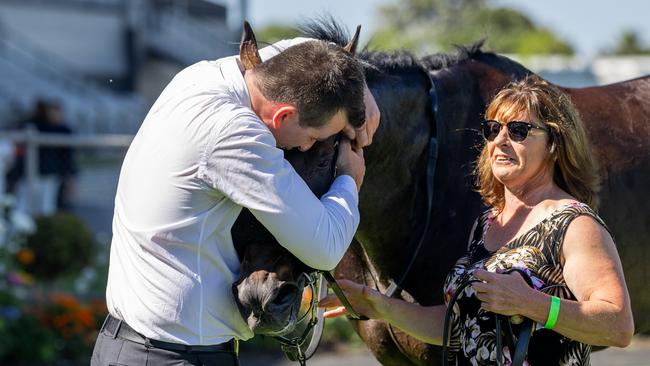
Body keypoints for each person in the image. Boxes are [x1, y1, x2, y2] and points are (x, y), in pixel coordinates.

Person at [90, 36, 380, 365]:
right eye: (312, 137)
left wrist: (358, 87)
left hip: (132, 347)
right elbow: (324, 247)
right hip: (173, 356)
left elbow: (298, 52)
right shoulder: (234, 134)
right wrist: (347, 179)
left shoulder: (202, 76)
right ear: (283, 116)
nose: (304, 148)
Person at [320, 76, 633, 365]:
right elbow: (458, 325)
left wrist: (530, 303)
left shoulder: (574, 224)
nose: (500, 141)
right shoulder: (486, 223)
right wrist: (378, 305)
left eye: (519, 131)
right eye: (493, 130)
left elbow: (617, 325)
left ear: (554, 143)